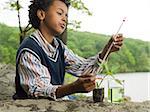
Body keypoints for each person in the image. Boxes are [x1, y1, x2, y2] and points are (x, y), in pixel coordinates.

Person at [13, 0, 123, 100]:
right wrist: (72, 88)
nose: (65, 18)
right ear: (42, 14)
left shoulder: (59, 47)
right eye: (60, 13)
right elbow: (39, 90)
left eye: (66, 15)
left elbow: (83, 69)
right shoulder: (29, 50)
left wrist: (106, 51)